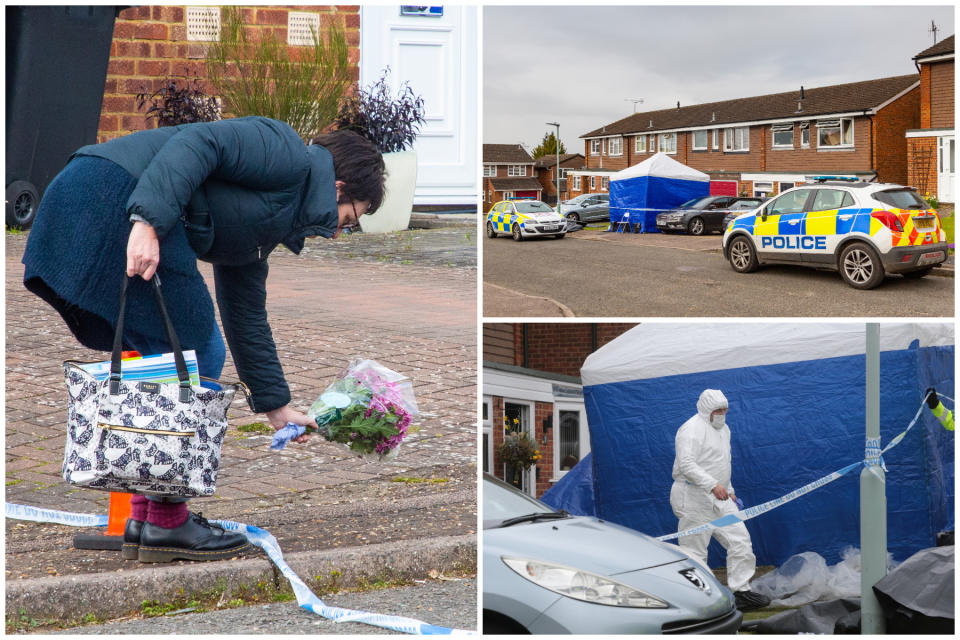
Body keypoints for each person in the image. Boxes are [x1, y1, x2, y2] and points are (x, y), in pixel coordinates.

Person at [23, 116, 385, 563]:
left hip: (119, 200)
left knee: (172, 355)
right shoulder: (285, 150)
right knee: (195, 352)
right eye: (348, 220)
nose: (336, 232)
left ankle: (145, 517)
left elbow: (247, 315)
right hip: (110, 193)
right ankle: (166, 523)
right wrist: (148, 222)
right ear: (337, 187)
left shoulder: (267, 224)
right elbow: (200, 141)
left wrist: (277, 406)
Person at [670, 389, 771, 612]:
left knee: (740, 540)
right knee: (694, 550)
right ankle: (698, 598)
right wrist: (712, 485)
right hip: (693, 496)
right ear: (706, 410)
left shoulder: (724, 429)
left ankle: (741, 592)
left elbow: (723, 463)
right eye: (718, 410)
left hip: (720, 496)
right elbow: (686, 465)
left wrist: (729, 489)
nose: (722, 414)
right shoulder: (691, 429)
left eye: (725, 410)